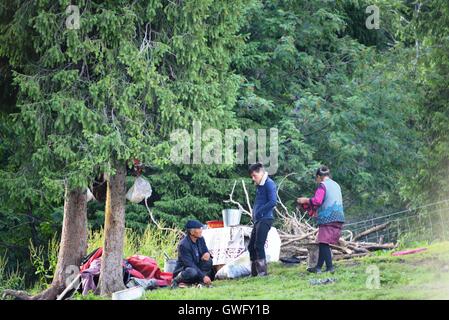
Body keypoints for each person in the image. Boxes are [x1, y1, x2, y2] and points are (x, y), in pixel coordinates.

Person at [297, 165, 345, 273]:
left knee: (323, 242)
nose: (317, 181)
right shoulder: (336, 185)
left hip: (328, 217)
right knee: (324, 242)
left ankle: (329, 268)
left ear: (319, 177)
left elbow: (317, 201)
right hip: (339, 216)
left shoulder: (322, 185)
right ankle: (318, 267)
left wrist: (305, 200)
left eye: (316, 178)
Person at [248, 162, 277, 276]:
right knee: (251, 246)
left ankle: (262, 272)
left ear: (261, 172)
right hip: (258, 219)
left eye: (254, 176)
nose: (253, 179)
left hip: (266, 218)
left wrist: (259, 212)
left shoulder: (269, 184)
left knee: (259, 245)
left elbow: (273, 202)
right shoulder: (260, 185)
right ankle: (254, 272)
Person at [171, 220, 214, 288]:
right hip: (185, 269)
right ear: (192, 232)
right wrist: (203, 276)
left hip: (196, 266)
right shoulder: (183, 245)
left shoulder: (201, 239)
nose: (201, 230)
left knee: (208, 261)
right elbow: (189, 264)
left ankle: (199, 282)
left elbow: (205, 250)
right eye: (199, 229)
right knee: (192, 272)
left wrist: (207, 254)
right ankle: (176, 281)